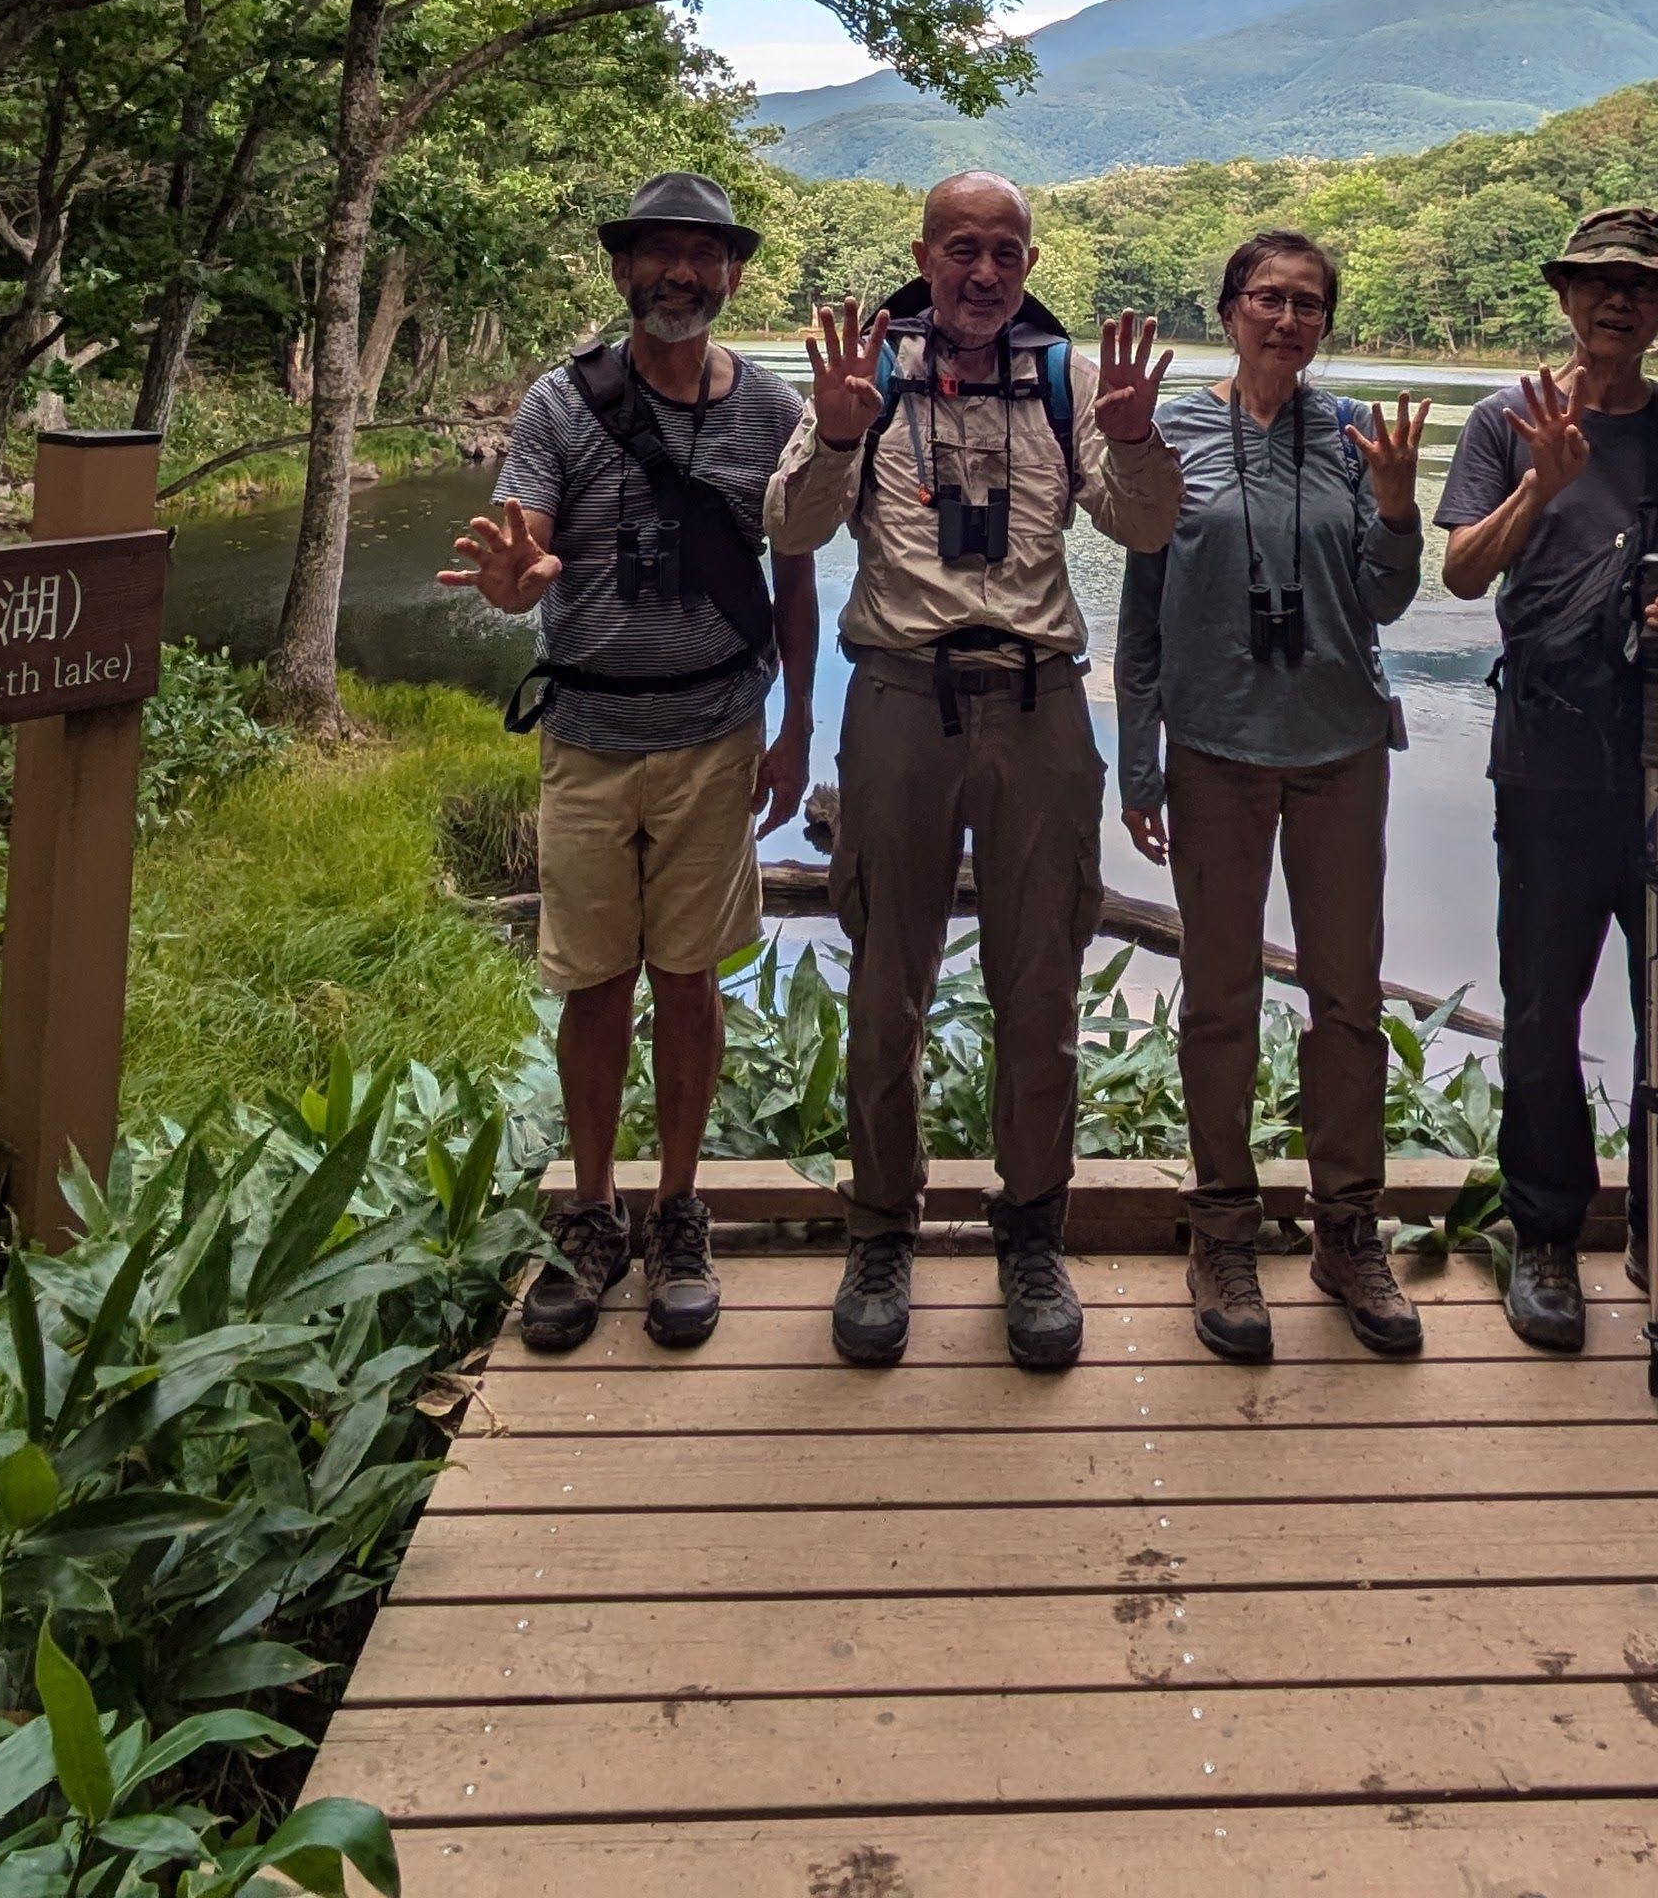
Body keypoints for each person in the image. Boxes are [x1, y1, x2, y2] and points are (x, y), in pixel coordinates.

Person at [764, 171, 1182, 1374]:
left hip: (1040, 705)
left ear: (1030, 260)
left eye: (1006, 251)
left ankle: (1031, 1230)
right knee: (884, 980)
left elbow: (1146, 529)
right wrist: (839, 434)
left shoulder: (1069, 379)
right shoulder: (866, 372)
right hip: (898, 699)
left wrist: (1140, 444)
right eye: (962, 248)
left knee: (1041, 981)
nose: (985, 273)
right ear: (923, 253)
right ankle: (881, 1228)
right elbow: (787, 529)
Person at [443, 172, 821, 1357]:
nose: (681, 276)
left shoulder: (771, 409)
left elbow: (794, 573)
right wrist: (514, 583)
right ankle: (593, 1212)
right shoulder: (563, 403)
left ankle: (676, 1208)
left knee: (690, 981)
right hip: (590, 739)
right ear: (622, 271)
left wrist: (799, 724)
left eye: (703, 258)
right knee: (596, 979)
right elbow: (525, 546)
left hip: (715, 734)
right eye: (658, 255)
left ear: (733, 277)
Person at [1437, 203, 1658, 1362]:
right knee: (1540, 1001)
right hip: (1548, 749)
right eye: (1596, 281)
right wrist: (1542, 482)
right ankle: (1545, 1236)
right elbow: (1462, 574)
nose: (1617, 300)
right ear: (1564, 295)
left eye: (1642, 285)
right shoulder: (1502, 420)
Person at [1115, 230, 1429, 1362]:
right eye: (1266, 298)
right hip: (1213, 746)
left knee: (1345, 998)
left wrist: (1395, 509)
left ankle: (1348, 1230)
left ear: (1323, 324)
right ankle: (1224, 1229)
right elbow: (1141, 608)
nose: (1286, 320)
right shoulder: (1171, 432)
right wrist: (1136, 758)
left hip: (1340, 745)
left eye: (1307, 304)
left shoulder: (1355, 435)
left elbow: (1389, 600)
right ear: (1228, 308)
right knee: (1218, 994)